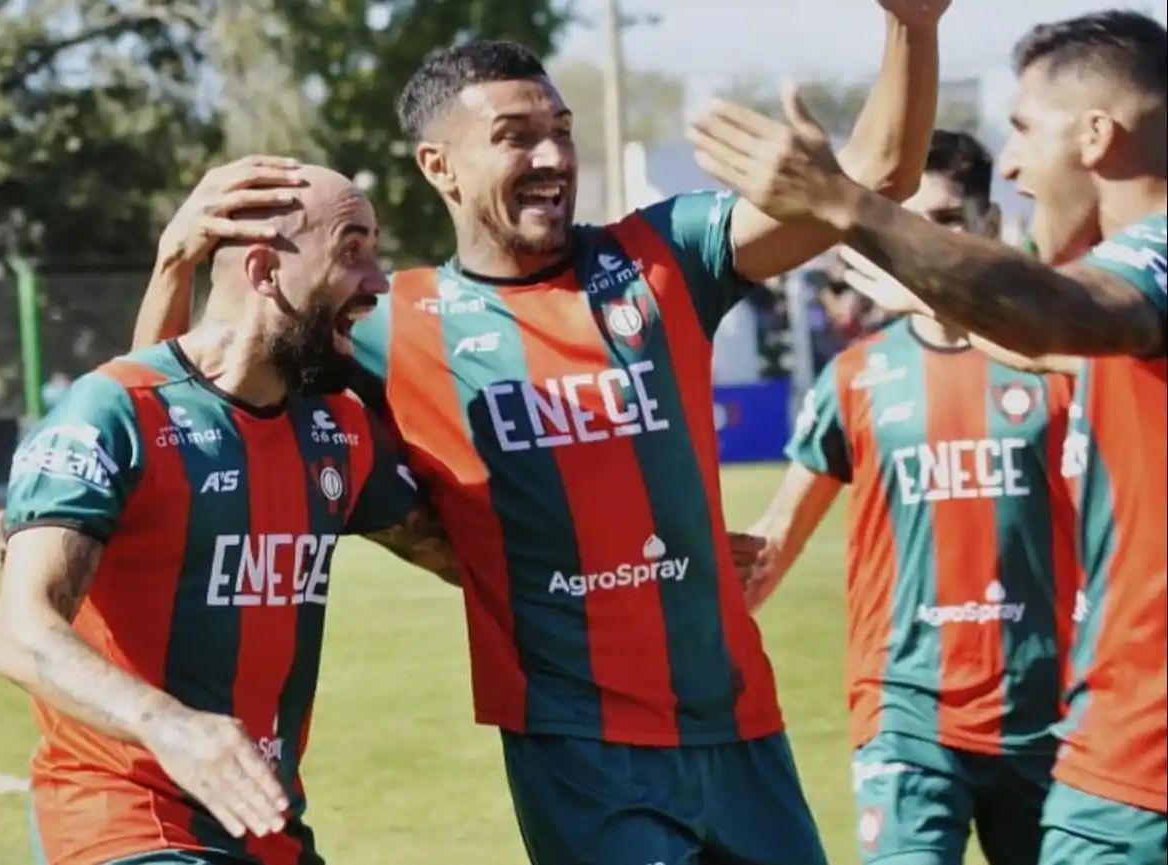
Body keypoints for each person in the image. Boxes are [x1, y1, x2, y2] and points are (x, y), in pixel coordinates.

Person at [134, 4, 947, 861]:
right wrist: (174, 263)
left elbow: (877, 179)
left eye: (561, 129)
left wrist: (914, 28)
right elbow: (167, 424)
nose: (554, 156)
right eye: (517, 136)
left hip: (740, 718)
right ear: (439, 166)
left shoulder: (663, 254)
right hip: (580, 747)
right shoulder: (390, 324)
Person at [690, 9, 1167, 865]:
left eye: (1023, 132)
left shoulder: (1147, 268)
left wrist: (844, 202)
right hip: (947, 722)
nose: (1014, 164)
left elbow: (1065, 312)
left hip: (1121, 757)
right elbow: (1042, 331)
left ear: (1097, 134)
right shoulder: (871, 373)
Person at [0, 160, 457, 865]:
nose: (378, 282)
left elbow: (459, 555)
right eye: (352, 251)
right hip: (125, 820)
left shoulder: (339, 429)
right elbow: (22, 632)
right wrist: (167, 724)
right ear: (265, 271)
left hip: (267, 825)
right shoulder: (112, 411)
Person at [745, 130, 1079, 865]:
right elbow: (776, 539)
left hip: (1047, 712)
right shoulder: (856, 379)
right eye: (910, 222)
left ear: (991, 226)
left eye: (949, 220)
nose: (928, 242)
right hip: (906, 713)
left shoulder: (1062, 363)